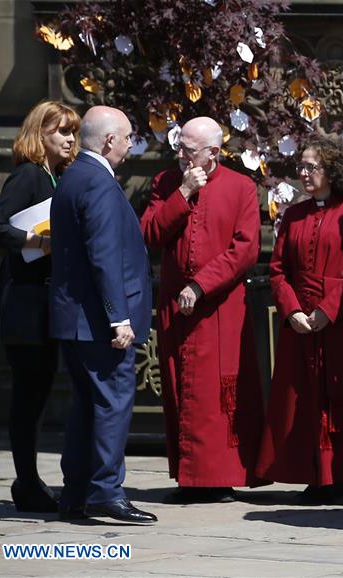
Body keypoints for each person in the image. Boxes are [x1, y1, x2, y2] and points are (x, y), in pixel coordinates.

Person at [140, 117, 265, 504]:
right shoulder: (165, 183)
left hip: (219, 307)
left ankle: (219, 477)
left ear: (213, 152)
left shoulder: (241, 186)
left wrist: (202, 284)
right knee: (180, 390)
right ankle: (188, 478)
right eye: (179, 147)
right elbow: (149, 233)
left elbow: (244, 249)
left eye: (189, 150)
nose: (180, 155)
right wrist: (183, 193)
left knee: (219, 396)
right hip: (176, 307)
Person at [256, 136, 343, 505]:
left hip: (340, 324)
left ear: (333, 171)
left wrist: (327, 310)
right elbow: (278, 270)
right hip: (300, 326)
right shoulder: (293, 214)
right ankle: (311, 475)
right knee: (302, 401)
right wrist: (292, 310)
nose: (304, 173)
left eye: (313, 167)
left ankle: (336, 476)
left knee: (340, 399)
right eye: (303, 166)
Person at [49, 105, 156, 524]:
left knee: (86, 406)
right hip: (99, 322)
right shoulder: (98, 184)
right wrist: (119, 318)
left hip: (74, 320)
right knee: (112, 403)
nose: (131, 146)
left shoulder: (73, 177)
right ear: (110, 140)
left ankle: (75, 491)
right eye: (129, 138)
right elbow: (105, 258)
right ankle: (106, 492)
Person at [0, 100, 80, 512]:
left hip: (41, 302)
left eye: (73, 131)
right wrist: (40, 242)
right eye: (62, 131)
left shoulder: (54, 177)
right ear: (40, 135)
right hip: (24, 303)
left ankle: (29, 482)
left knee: (37, 392)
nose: (71, 139)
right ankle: (26, 482)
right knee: (29, 396)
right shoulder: (28, 175)